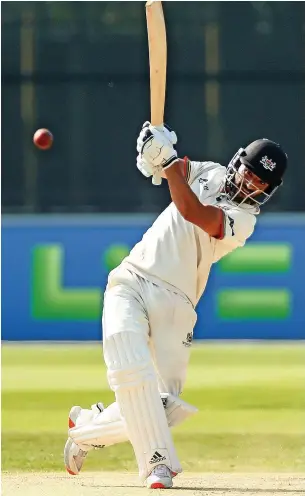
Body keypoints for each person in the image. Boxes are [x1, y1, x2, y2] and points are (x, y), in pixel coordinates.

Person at [64, 123, 288, 489]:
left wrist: (166, 162)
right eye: (250, 171)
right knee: (129, 362)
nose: (251, 183)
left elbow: (192, 211)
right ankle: (158, 465)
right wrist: (151, 153)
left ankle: (87, 429)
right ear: (238, 162)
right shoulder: (208, 171)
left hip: (178, 304)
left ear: (267, 190)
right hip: (133, 279)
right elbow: (171, 172)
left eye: (261, 182)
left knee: (165, 404)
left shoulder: (243, 221)